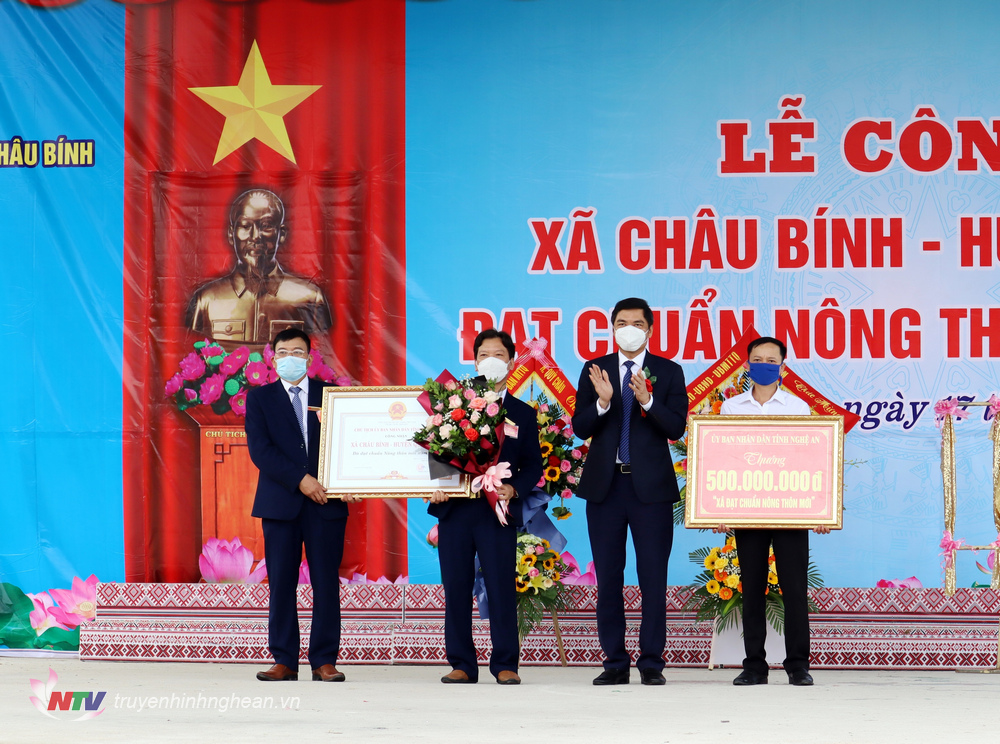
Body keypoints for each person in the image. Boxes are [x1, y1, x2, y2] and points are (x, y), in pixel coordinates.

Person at [572, 298, 688, 686]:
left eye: (637, 323)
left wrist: (647, 400)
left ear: (650, 330)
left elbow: (676, 428)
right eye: (621, 322)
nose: (629, 329)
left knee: (653, 577)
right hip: (605, 488)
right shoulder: (595, 370)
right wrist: (603, 402)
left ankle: (651, 662)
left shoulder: (669, 371)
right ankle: (615, 662)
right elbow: (580, 427)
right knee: (608, 577)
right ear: (612, 328)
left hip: (651, 490)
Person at [427, 329, 543, 686]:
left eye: (498, 354)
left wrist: (514, 488)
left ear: (511, 361)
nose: (491, 361)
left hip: (497, 512)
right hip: (456, 510)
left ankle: (506, 664)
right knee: (456, 587)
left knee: (501, 586)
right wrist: (438, 487)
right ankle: (462, 663)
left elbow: (533, 466)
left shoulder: (523, 413)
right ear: (474, 362)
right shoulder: (455, 405)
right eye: (483, 355)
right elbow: (436, 451)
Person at [716, 335, 829, 687]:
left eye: (771, 360)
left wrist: (820, 511)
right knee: (752, 588)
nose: (763, 365)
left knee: (794, 588)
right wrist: (719, 509)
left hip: (791, 511)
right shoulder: (731, 408)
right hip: (747, 510)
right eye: (757, 359)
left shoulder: (798, 408)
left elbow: (811, 460)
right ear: (746, 364)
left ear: (782, 366)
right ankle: (754, 666)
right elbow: (724, 460)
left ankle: (798, 665)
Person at [245, 328, 358, 682]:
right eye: (283, 352)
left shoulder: (331, 396)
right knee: (281, 582)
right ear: (273, 358)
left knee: (326, 583)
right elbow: (261, 451)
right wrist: (300, 480)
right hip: (280, 503)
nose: (290, 357)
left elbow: (348, 445)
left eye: (297, 351)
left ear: (309, 358)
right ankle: (284, 660)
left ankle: (324, 660)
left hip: (327, 502)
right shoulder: (260, 399)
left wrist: (352, 480)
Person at [186, 189, 332, 350]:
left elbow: (323, 351)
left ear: (281, 233)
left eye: (266, 225)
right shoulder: (206, 300)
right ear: (231, 234)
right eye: (245, 226)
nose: (255, 236)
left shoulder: (310, 298)